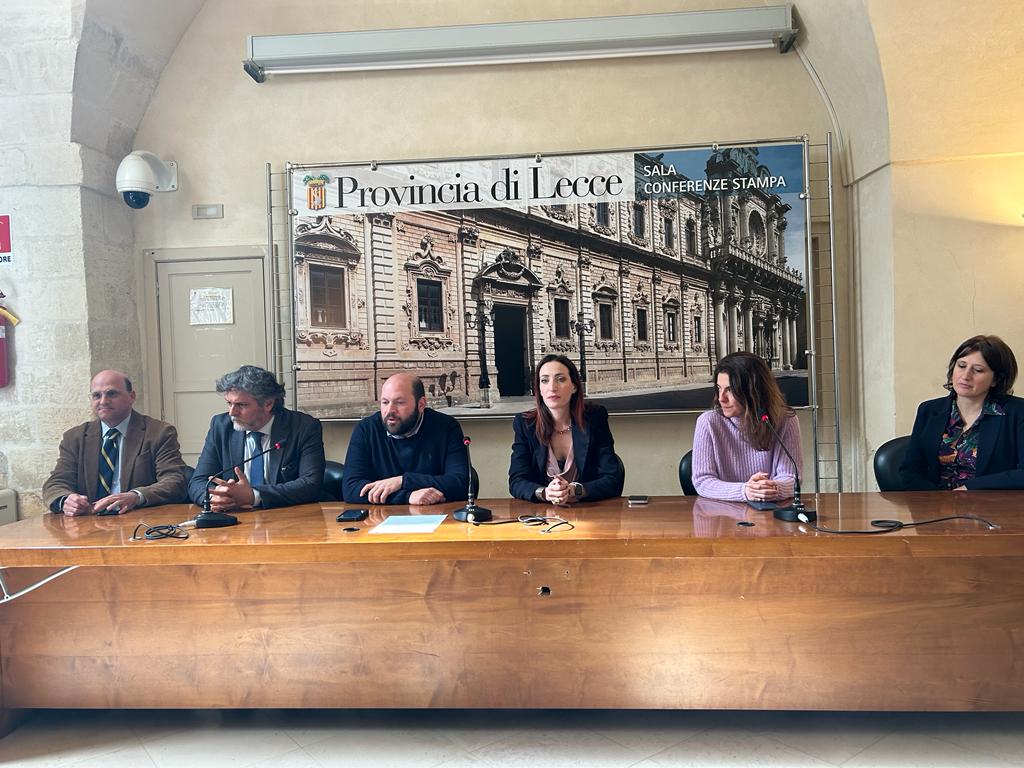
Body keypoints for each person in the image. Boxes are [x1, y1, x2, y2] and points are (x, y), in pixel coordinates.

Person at [43, 370, 188, 515]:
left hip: (138, 519)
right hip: (89, 521)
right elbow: (56, 483)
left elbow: (174, 481)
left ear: (132, 396)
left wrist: (136, 496)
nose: (103, 401)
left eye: (112, 394)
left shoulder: (159, 432)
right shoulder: (75, 438)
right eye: (96, 395)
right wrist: (66, 500)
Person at [188, 365, 326, 510]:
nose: (232, 413)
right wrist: (215, 497)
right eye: (229, 403)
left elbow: (311, 484)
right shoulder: (221, 426)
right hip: (234, 518)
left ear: (268, 403)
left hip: (287, 515)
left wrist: (254, 496)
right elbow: (198, 481)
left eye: (241, 405)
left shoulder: (303, 427)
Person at [899, 334, 1024, 490]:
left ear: (996, 380)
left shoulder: (1017, 412)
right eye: (961, 366)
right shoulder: (929, 410)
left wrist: (969, 488)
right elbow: (910, 471)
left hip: (989, 503)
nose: (965, 376)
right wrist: (937, 500)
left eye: (978, 370)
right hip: (934, 502)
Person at [508, 354, 623, 504]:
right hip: (541, 513)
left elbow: (612, 479)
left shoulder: (594, 418)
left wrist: (574, 490)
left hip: (588, 511)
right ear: (539, 389)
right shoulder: (525, 424)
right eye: (544, 380)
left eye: (560, 379)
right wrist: (545, 493)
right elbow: (516, 481)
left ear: (574, 386)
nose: (552, 387)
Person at [343, 372, 469, 505]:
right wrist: (407, 497)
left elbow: (462, 483)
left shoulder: (446, 427)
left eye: (399, 403)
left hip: (435, 514)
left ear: (421, 404)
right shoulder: (366, 429)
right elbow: (351, 488)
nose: (390, 410)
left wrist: (402, 481)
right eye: (385, 402)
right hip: (380, 516)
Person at [692, 351, 801, 502]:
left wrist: (769, 489)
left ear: (754, 391)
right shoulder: (708, 422)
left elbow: (791, 477)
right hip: (721, 512)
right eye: (719, 388)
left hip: (770, 510)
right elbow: (703, 481)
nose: (721, 398)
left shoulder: (786, 421)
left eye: (730, 390)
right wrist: (745, 491)